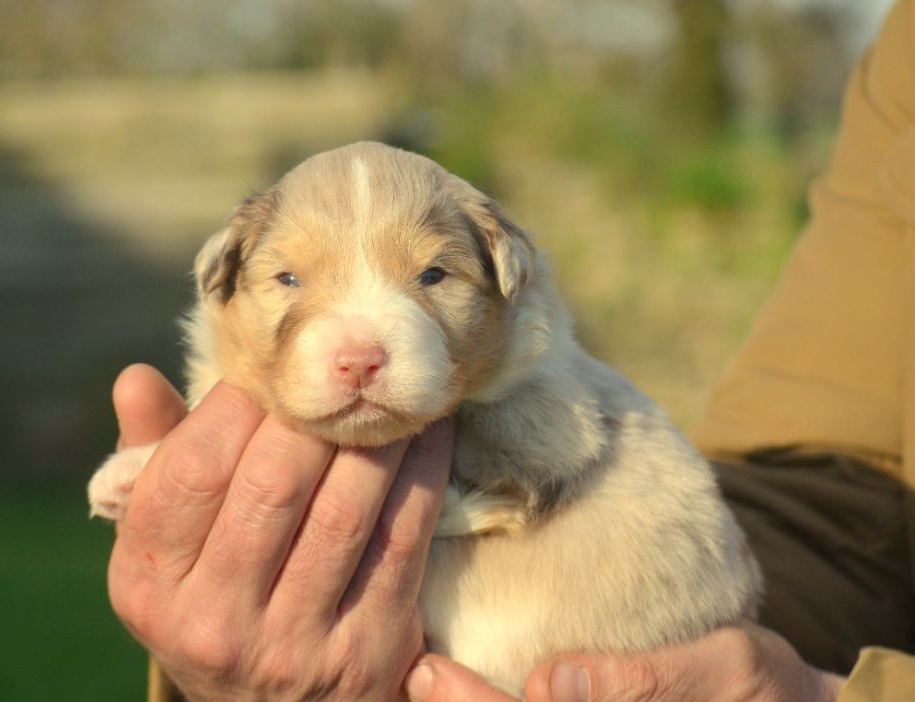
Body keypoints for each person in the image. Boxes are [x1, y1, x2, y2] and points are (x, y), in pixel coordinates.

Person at [104, 0, 915, 698]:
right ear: (225, 279)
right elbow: (841, 491)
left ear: (508, 278)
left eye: (431, 275)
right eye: (288, 279)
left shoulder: (539, 399)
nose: (358, 344)